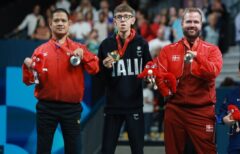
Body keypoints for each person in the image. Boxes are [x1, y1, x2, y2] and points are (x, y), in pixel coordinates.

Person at [22, 8, 99, 154]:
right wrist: (27, 67)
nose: (60, 23)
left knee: (74, 150)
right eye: (56, 20)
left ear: (69, 24)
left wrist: (84, 57)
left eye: (63, 20)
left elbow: (95, 69)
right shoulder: (39, 50)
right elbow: (29, 81)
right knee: (43, 150)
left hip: (71, 109)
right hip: (46, 108)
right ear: (50, 25)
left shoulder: (79, 48)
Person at [155, 8, 223, 154]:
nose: (192, 25)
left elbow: (213, 72)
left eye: (196, 22)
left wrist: (197, 57)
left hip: (202, 111)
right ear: (182, 24)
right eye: (189, 21)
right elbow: (160, 77)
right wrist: (164, 88)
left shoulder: (212, 50)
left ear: (201, 24)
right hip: (175, 110)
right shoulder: (168, 50)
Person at [97, 3, 152, 154]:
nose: (123, 20)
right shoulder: (106, 45)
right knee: (107, 150)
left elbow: (149, 70)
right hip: (113, 106)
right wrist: (105, 68)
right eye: (119, 17)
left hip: (134, 105)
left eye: (126, 17)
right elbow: (99, 78)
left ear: (133, 20)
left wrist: (150, 79)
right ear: (114, 21)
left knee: (137, 150)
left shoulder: (142, 43)